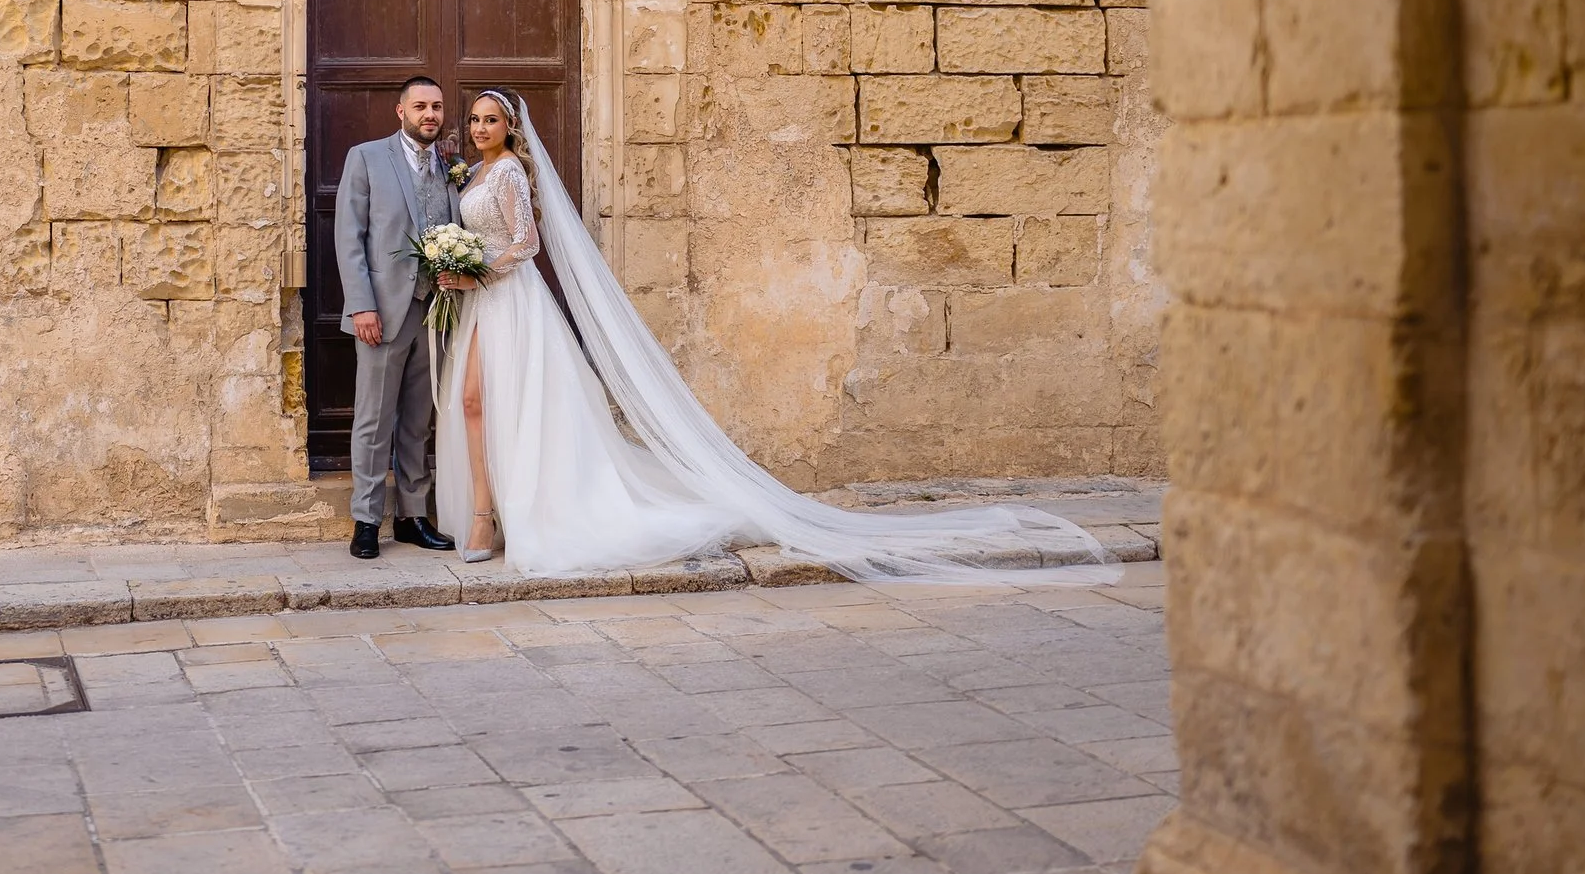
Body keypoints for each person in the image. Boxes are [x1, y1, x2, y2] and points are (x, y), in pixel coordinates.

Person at [430, 90, 1117, 583]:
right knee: (475, 405)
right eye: (476, 120)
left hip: (511, 301)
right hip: (482, 306)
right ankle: (490, 513)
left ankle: (504, 517)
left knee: (498, 405)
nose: (481, 127)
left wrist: (475, 267)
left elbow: (524, 243)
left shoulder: (514, 171)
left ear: (511, 128)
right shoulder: (473, 173)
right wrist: (455, 266)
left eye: (492, 120)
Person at [330, 76, 461, 560]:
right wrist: (361, 304)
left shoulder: (450, 163)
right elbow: (350, 237)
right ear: (400, 111)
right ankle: (366, 519)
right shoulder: (365, 157)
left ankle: (411, 516)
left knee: (417, 422)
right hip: (381, 311)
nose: (431, 114)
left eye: (437, 107)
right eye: (421, 106)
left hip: (436, 310)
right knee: (372, 419)